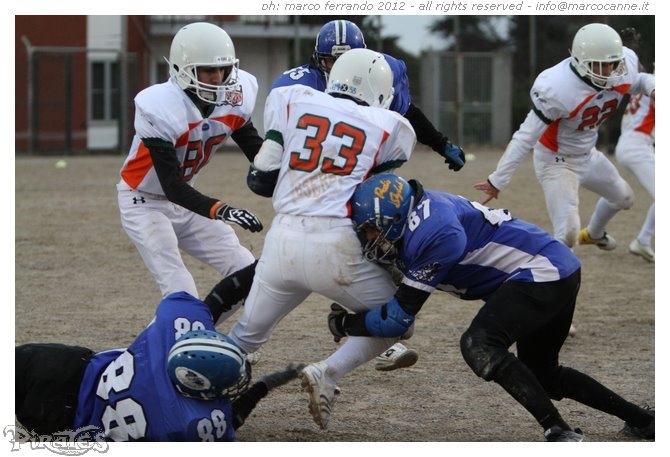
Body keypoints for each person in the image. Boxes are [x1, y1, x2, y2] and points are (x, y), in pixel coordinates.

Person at [327, 172, 655, 441]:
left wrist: (345, 326)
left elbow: (398, 320)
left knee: (478, 344)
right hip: (554, 269)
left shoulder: (432, 232)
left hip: (542, 272)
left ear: (396, 217)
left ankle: (559, 432)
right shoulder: (417, 218)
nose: (369, 237)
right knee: (545, 375)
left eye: (372, 228)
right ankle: (642, 421)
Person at [227, 48, 417, 430]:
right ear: (379, 89)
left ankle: (192, 395)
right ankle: (328, 373)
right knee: (398, 322)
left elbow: (262, 177)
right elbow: (375, 198)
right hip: (337, 246)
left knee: (243, 338)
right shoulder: (390, 125)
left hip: (282, 240)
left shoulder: (294, 99)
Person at [271, 18, 466, 370]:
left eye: (342, 60)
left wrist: (441, 144)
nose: (335, 68)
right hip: (321, 188)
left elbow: (407, 111)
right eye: (329, 61)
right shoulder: (301, 87)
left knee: (378, 255)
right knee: (316, 262)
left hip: (368, 181)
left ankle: (376, 331)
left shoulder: (377, 72)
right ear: (318, 60)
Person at [15, 290, 304, 442]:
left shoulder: (170, 338)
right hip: (61, 418)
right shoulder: (187, 424)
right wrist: (265, 386)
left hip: (65, 367)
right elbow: (233, 418)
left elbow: (218, 297)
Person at [116, 22, 263, 316]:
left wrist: (285, 175)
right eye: (208, 69)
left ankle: (210, 337)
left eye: (222, 69)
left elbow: (256, 150)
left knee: (249, 272)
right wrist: (222, 209)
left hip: (185, 200)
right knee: (180, 286)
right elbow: (171, 185)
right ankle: (170, 345)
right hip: (143, 201)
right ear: (184, 69)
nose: (218, 78)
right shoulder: (159, 104)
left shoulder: (237, 95)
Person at [474, 23, 655, 252]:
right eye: (601, 66)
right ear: (582, 62)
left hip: (587, 154)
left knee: (625, 198)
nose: (609, 71)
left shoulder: (620, 67)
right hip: (556, 161)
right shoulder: (558, 87)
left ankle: (595, 234)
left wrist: (654, 88)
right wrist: (498, 179)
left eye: (612, 64)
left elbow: (638, 81)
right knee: (568, 234)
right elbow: (525, 137)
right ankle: (548, 276)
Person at [614, 28, 655, 263]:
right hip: (637, 146)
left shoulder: (646, 85)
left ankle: (597, 232)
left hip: (632, 144)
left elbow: (632, 72)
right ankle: (642, 240)